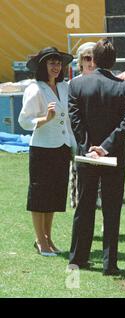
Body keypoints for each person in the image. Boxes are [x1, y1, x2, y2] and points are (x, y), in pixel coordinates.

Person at [68, 39, 125, 276]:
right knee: (112, 208)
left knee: (84, 206)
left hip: (86, 155)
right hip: (115, 154)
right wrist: (105, 147)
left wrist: (89, 147)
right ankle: (109, 263)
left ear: (93, 60)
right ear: (114, 61)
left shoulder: (76, 86)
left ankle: (77, 258)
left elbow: (76, 121)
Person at [18, 47, 76, 256]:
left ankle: (48, 238)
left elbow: (68, 121)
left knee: (54, 195)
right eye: (51, 63)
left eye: (58, 63)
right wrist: (45, 119)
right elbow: (23, 121)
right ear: (43, 66)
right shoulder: (35, 88)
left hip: (61, 147)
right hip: (42, 148)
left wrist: (72, 145)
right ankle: (39, 240)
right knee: (40, 195)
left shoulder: (65, 87)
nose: (55, 66)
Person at [69, 42, 96, 209]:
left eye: (94, 57)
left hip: (103, 142)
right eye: (87, 58)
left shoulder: (107, 81)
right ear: (80, 62)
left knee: (104, 186)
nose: (91, 62)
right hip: (80, 141)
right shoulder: (74, 84)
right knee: (82, 185)